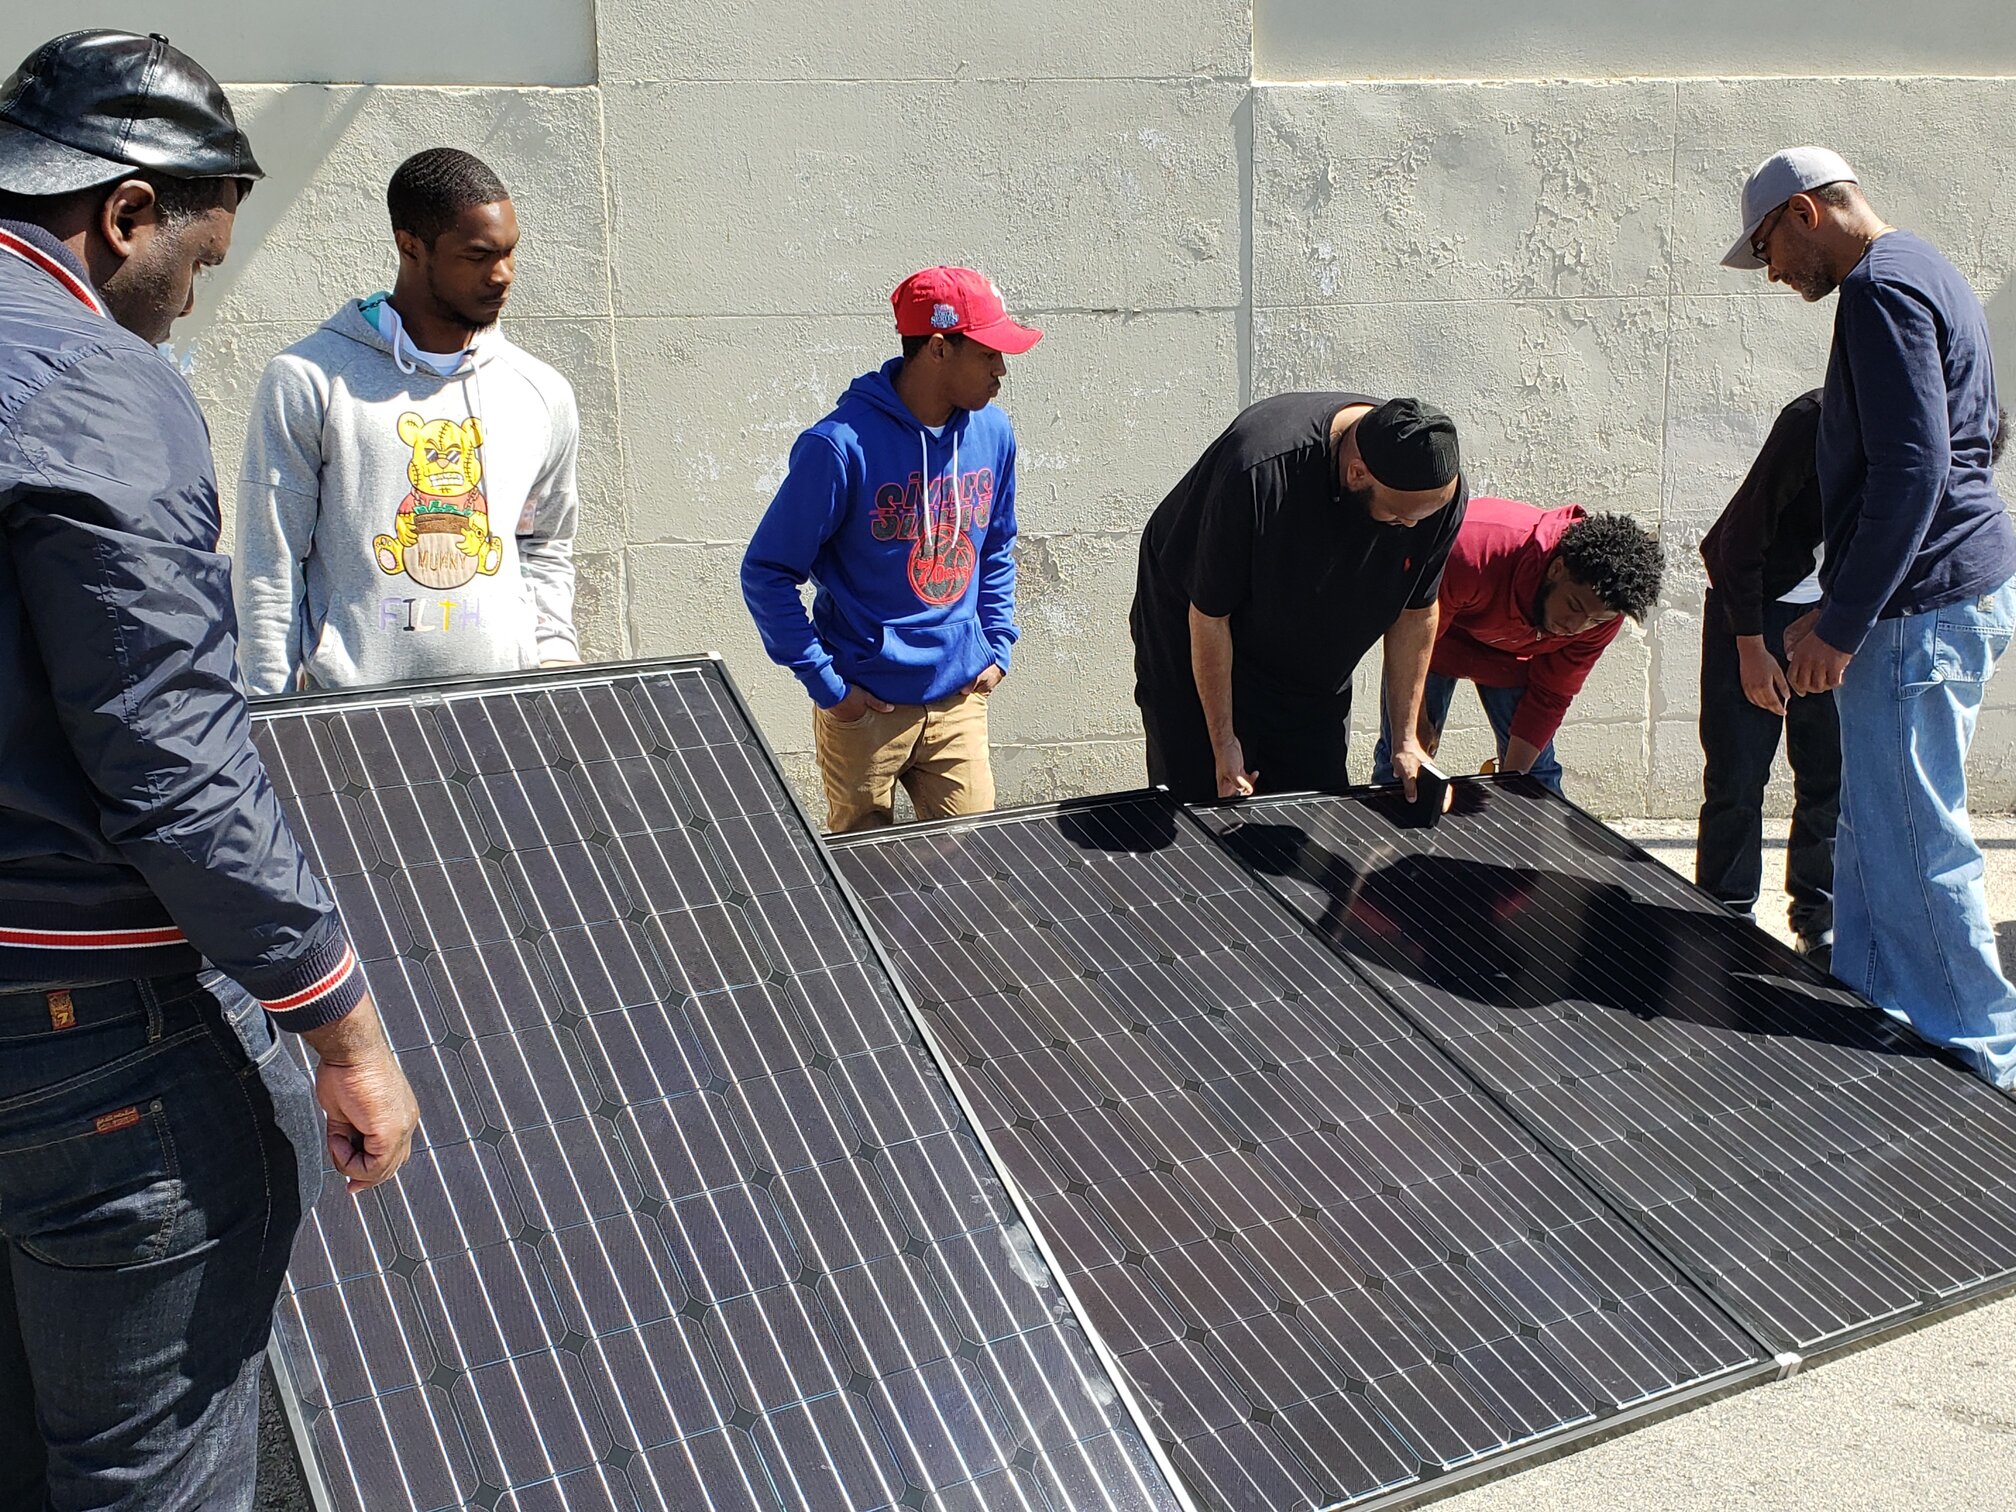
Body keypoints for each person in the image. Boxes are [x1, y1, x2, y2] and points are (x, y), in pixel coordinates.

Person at [0, 30, 418, 1511]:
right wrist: (342, 1022)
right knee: (141, 1479)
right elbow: (173, 759)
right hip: (91, 1053)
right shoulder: (91, 385)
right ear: (122, 212)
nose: (185, 303)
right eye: (193, 257)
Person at [1726, 145, 2016, 1085]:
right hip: (1947, 592)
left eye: (1769, 245)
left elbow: (1916, 467)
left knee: (1918, 832)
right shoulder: (1925, 265)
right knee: (1876, 817)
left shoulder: (1880, 291)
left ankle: (1980, 1050)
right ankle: (1875, 994)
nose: (1773, 271)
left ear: (1807, 211)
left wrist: (1844, 618)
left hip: (1916, 609)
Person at [235, 147, 581, 694]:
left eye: (510, 253)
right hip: (352, 717)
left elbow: (543, 543)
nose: (503, 275)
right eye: (478, 256)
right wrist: (270, 713)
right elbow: (269, 562)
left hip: (505, 710)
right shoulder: (310, 379)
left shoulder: (540, 394)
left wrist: (555, 663)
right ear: (411, 246)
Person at [742, 265, 1038, 833]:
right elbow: (767, 572)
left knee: (976, 871)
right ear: (937, 348)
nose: (1002, 369)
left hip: (960, 698)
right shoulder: (837, 447)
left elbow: (997, 544)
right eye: (988, 353)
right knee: (865, 884)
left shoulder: (993, 433)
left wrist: (997, 645)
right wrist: (830, 689)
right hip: (865, 709)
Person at [1130, 393, 1467, 803]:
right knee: (1202, 795)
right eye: (1399, 518)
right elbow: (1209, 617)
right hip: (1194, 630)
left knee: (1312, 793)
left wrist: (1406, 739)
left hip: (1309, 647)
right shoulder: (1259, 470)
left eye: (1424, 517)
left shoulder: (1430, 497)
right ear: (1357, 474)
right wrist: (1224, 745)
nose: (1414, 526)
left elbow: (1417, 611)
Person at [1370, 500, 1663, 797]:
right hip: (1432, 639)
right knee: (1402, 764)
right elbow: (1411, 631)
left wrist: (1513, 784)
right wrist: (1411, 731)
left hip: (1512, 658)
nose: (1576, 627)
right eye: (1574, 606)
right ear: (1557, 569)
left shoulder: (1603, 615)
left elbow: (1550, 694)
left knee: (1533, 778)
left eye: (1594, 620)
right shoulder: (1474, 550)